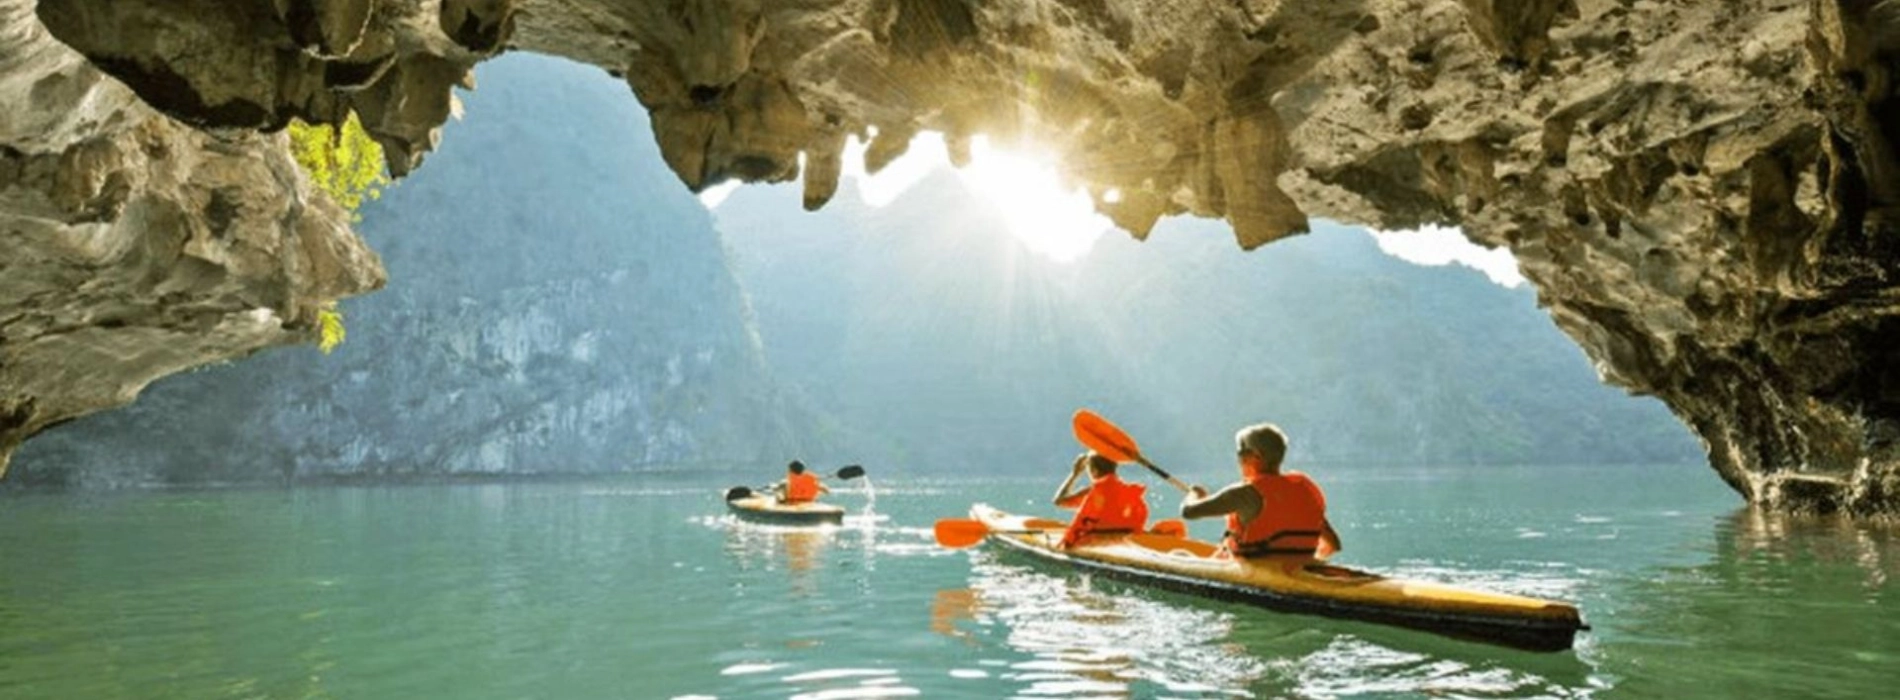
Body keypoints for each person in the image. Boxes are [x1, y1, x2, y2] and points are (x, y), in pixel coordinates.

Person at [1179, 423, 1342, 558]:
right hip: (1295, 571)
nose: (1239, 459)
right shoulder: (1305, 491)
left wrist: (1195, 494)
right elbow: (1333, 545)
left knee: (1178, 554)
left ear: (1255, 456)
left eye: (1240, 453)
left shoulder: (1243, 494)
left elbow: (1188, 512)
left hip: (1255, 571)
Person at [1052, 451, 1149, 548]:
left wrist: (1074, 474)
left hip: (1094, 543)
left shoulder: (1094, 492)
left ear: (1094, 471)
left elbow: (1059, 501)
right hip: (1126, 541)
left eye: (1088, 470)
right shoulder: (1128, 491)